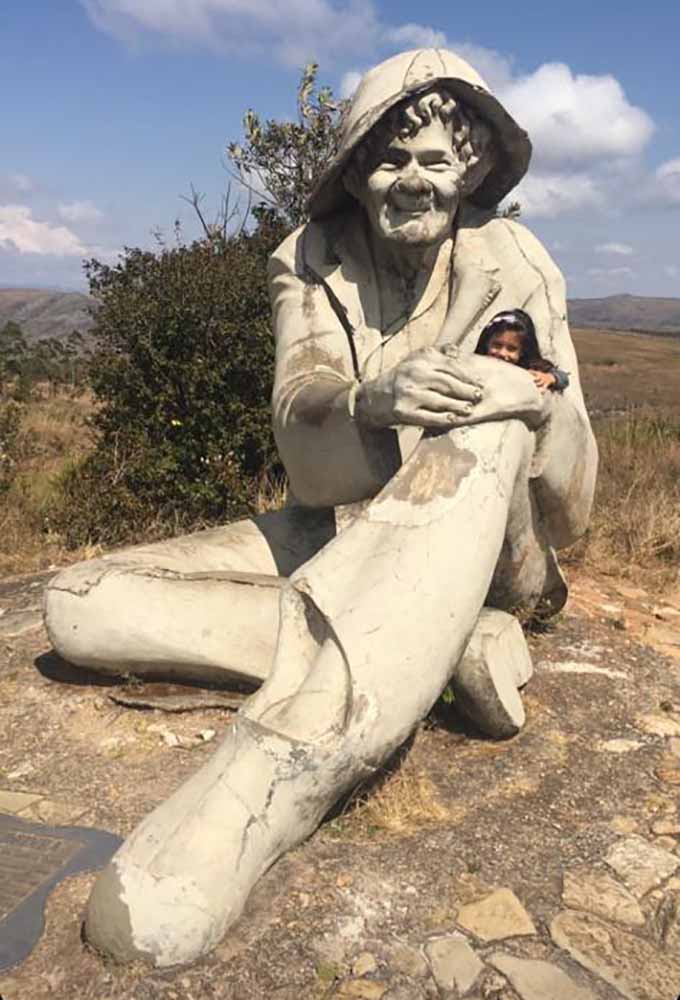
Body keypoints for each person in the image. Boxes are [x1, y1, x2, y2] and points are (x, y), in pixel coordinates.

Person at [45, 48, 597, 968]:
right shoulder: (306, 261)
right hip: (342, 525)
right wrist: (370, 401)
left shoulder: (515, 263)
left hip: (493, 542)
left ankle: (282, 761)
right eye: (390, 159)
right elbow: (306, 440)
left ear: (473, 169)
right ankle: (435, 645)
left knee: (491, 414)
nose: (413, 183)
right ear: (354, 170)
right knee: (79, 604)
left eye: (436, 162)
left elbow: (571, 511)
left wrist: (531, 403)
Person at [475, 308, 570, 393]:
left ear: (523, 351)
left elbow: (563, 378)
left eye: (511, 349)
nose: (502, 353)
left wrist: (550, 378)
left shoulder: (530, 368)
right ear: (487, 343)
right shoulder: (476, 365)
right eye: (497, 345)